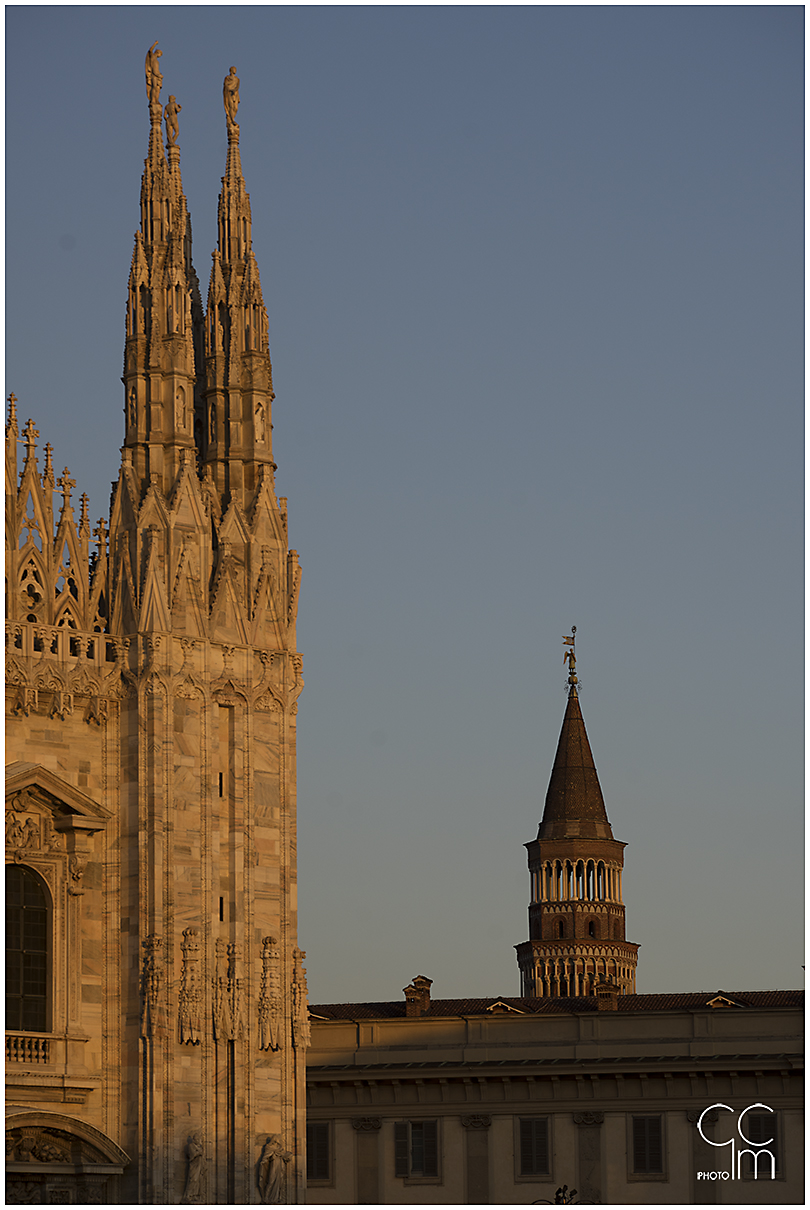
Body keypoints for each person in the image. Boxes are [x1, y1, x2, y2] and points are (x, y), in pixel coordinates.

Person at [257, 1135, 291, 1204]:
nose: (278, 1140)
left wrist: (288, 1156)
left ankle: (278, 1197)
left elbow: (285, 1156)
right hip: (273, 1166)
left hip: (280, 1167)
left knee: (279, 1183)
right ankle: (266, 1197)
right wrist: (263, 1162)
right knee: (271, 1181)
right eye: (277, 1139)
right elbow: (266, 1156)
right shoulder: (269, 1147)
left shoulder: (280, 1148)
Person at [145, 42, 163, 106]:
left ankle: (156, 100)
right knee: (154, 87)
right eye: (160, 54)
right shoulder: (152, 57)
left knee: (157, 89)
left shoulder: (156, 60)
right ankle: (153, 100)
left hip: (157, 76)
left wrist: (160, 75)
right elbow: (150, 50)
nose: (160, 56)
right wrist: (155, 44)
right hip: (154, 75)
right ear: (158, 52)